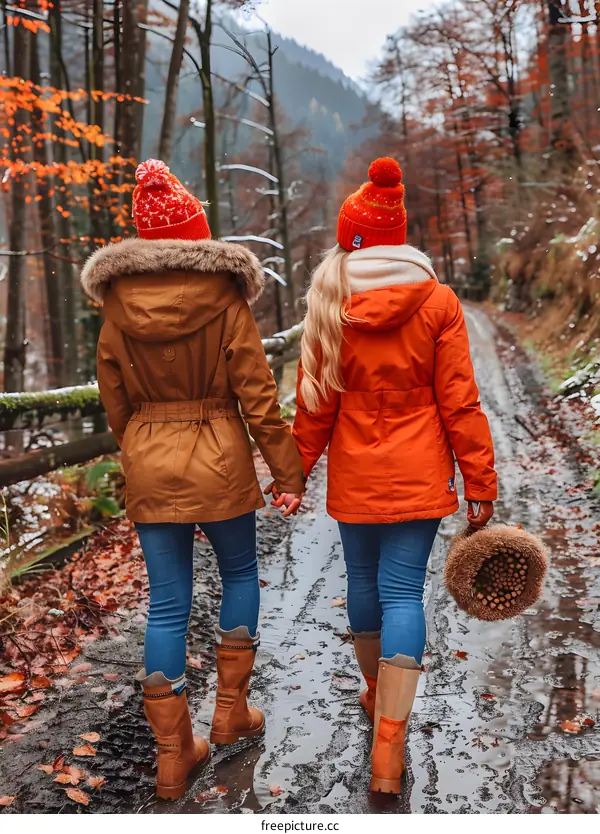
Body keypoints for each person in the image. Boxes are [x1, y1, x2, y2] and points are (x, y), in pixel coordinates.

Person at [80, 159, 305, 800]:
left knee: (167, 605)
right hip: (222, 456)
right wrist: (287, 472)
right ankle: (230, 713)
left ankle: (173, 759)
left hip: (150, 455)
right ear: (197, 238)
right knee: (237, 575)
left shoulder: (115, 308)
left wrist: (144, 450)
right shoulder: (227, 300)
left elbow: (114, 400)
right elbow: (257, 396)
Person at [288, 158, 497, 795]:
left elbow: (314, 402)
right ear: (400, 238)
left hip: (356, 474)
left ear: (350, 239)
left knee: (362, 583)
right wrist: (480, 481)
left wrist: (293, 475)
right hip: (419, 473)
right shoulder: (437, 302)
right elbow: (460, 400)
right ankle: (390, 743)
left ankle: (375, 690)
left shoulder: (329, 303)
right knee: (404, 592)